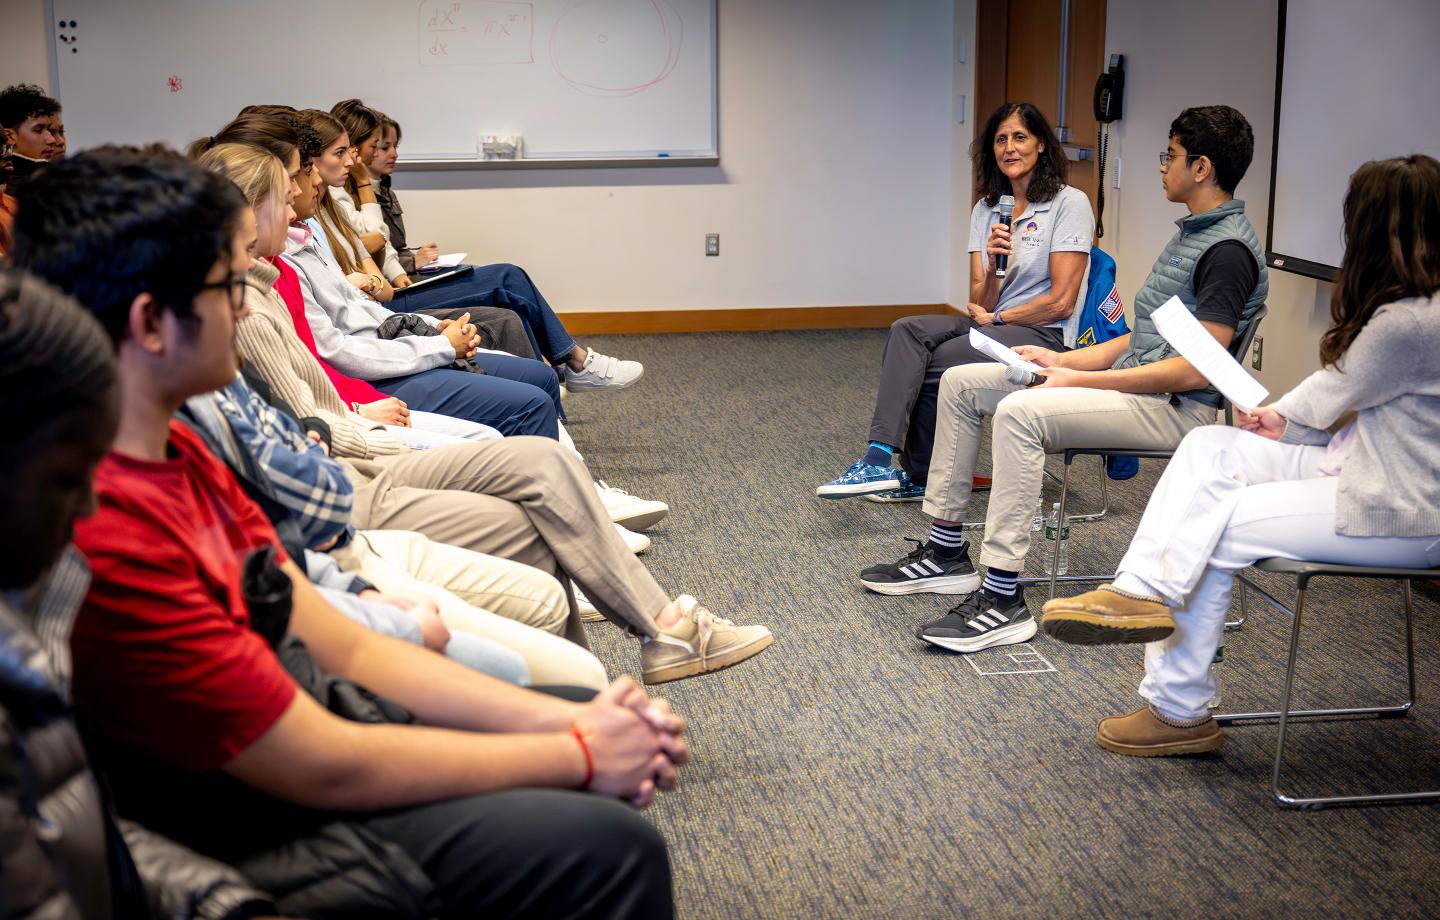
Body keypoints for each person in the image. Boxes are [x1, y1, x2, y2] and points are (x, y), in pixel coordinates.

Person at [10, 144, 682, 917]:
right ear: (152, 323)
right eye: (228, 286)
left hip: (305, 731)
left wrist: (573, 725)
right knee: (610, 847)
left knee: (570, 732)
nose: (244, 308)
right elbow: (317, 764)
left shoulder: (180, 449)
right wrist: (577, 749)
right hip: (246, 826)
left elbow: (342, 641)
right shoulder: (107, 528)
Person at [1040, 154, 1440, 756]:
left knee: (1215, 523)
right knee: (1209, 445)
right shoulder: (1415, 312)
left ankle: (1178, 712)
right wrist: (1281, 418)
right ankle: (1138, 589)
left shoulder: (1410, 322)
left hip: (1402, 507)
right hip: (1363, 468)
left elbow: (1332, 391)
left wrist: (1282, 416)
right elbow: (1343, 401)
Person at [860, 105, 1268, 656]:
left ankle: (1002, 596)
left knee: (1020, 413)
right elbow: (1143, 339)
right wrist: (1065, 363)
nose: (1161, 165)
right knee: (961, 384)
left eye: (1169, 155)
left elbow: (1198, 369)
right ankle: (946, 549)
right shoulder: (1191, 237)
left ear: (1201, 168)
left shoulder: (1226, 252)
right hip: (1137, 386)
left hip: (1175, 408)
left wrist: (1081, 384)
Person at [0, 269, 280, 919]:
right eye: (65, 480)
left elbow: (82, 833)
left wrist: (223, 903)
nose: (87, 506)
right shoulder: (76, 569)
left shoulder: (33, 605)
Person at [818, 102, 1092, 501]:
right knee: (907, 331)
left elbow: (1062, 303)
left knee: (936, 361)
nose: (1009, 148)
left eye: (1020, 137)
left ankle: (921, 474)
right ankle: (878, 459)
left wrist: (1000, 316)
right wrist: (993, 264)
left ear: (1041, 145)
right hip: (995, 323)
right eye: (1000, 139)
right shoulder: (987, 208)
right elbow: (978, 299)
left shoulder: (1069, 203)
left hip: (1043, 334)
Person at [366, 107, 645, 391]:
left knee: (498, 288)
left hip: (401, 283)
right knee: (507, 278)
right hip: (389, 296)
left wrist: (413, 257)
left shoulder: (381, 189)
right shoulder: (353, 197)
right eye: (380, 146)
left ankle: (551, 374)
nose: (392, 153)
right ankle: (574, 362)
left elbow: (388, 247)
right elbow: (369, 251)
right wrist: (409, 262)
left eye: (393, 146)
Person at [0, 83, 62, 192]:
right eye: (38, 130)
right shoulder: (31, 188)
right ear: (9, 137)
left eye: (48, 129)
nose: (52, 140)